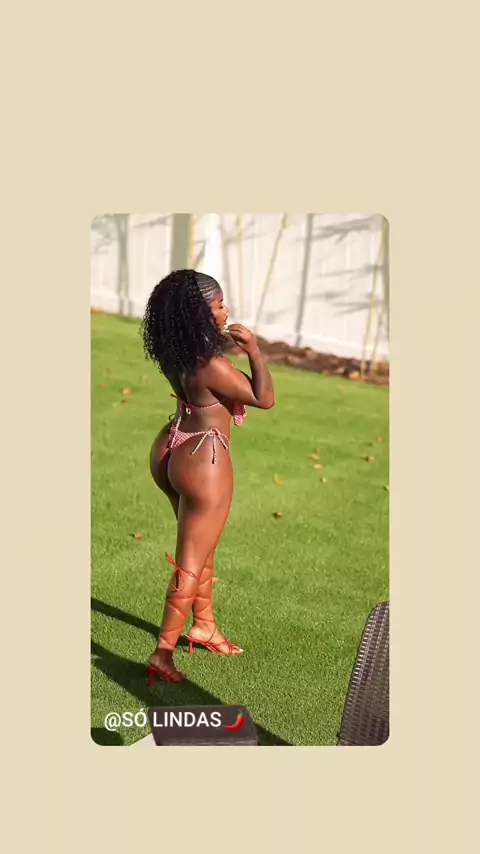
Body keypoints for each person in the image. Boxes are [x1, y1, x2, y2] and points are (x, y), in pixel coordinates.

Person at [140, 269, 275, 683]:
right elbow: (264, 398)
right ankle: (163, 654)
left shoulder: (173, 348)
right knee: (191, 562)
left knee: (202, 544)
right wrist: (254, 351)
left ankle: (205, 626)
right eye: (218, 305)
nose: (225, 310)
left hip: (171, 446)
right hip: (204, 458)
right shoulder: (211, 364)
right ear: (199, 312)